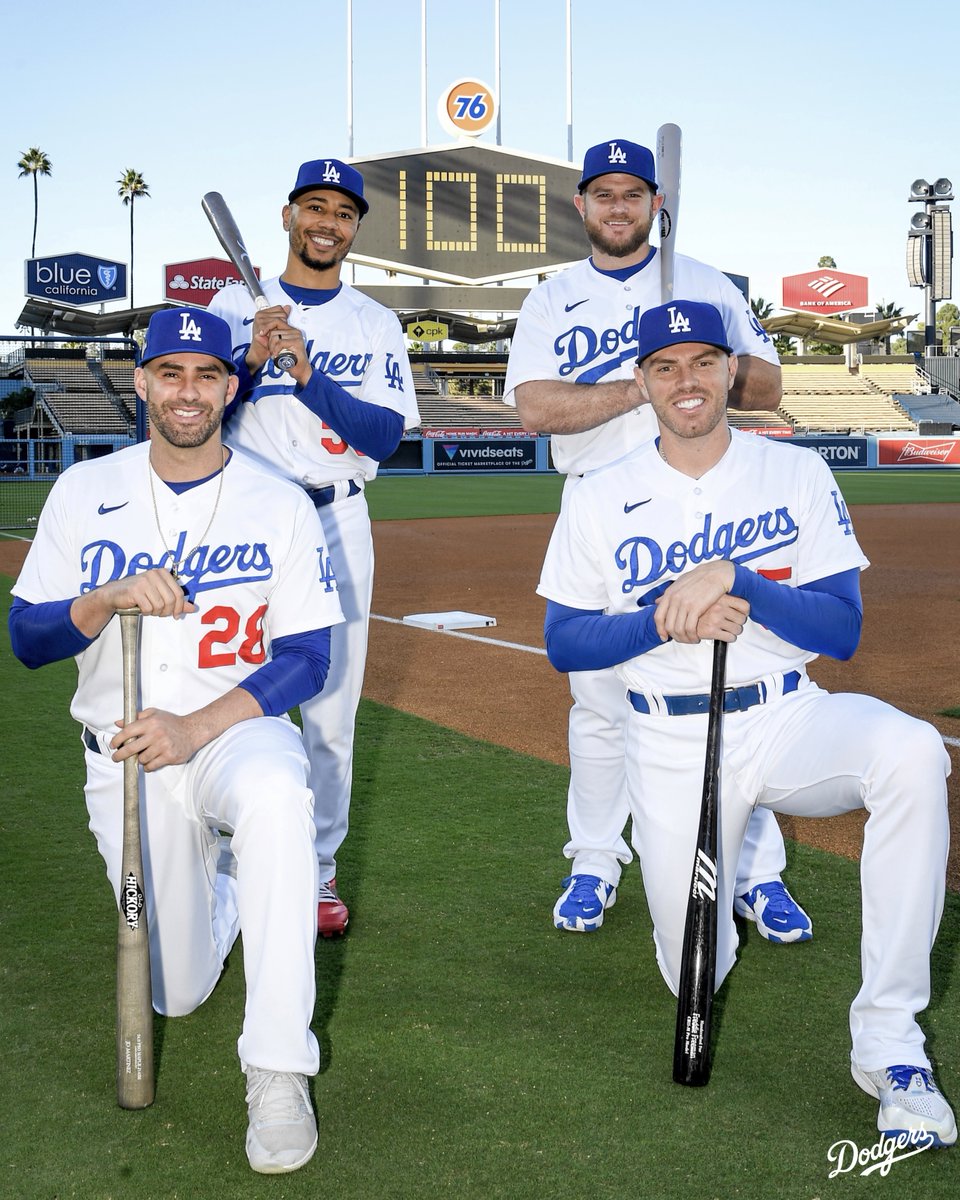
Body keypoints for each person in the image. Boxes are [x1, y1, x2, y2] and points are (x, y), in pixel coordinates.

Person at [537, 298, 955, 1146]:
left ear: (732, 370)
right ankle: (726, 900)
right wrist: (660, 618)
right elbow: (566, 644)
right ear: (644, 383)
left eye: (702, 362)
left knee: (911, 753)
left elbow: (841, 631)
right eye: (665, 367)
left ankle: (889, 1042)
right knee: (695, 961)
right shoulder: (598, 491)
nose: (685, 381)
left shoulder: (797, 474)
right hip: (668, 739)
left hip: (785, 716)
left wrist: (746, 584)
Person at [8, 307, 346, 1175]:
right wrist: (100, 601)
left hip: (232, 733)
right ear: (143, 384)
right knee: (178, 990)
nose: (188, 391)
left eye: (206, 375)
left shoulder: (277, 500)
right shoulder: (84, 491)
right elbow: (28, 639)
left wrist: (199, 725)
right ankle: (230, 891)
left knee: (277, 798)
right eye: (170, 373)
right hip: (123, 754)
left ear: (230, 387)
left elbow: (311, 658)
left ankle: (277, 1069)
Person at [504, 137, 809, 940]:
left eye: (632, 194)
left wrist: (694, 364)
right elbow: (536, 408)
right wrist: (641, 384)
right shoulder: (551, 298)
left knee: (730, 691)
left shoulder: (705, 282)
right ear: (582, 207)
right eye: (602, 194)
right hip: (601, 508)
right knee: (600, 704)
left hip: (703, 504)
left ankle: (755, 872)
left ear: (655, 204)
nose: (617, 207)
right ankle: (596, 859)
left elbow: (771, 388)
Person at [209, 158, 420, 937]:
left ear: (355, 229)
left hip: (337, 519)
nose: (328, 222)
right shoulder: (234, 305)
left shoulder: (373, 322)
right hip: (247, 522)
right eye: (315, 206)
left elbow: (385, 437)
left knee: (331, 710)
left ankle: (319, 871)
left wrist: (307, 379)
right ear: (288, 216)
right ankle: (232, 857)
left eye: (343, 212)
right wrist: (246, 363)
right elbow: (186, 415)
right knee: (232, 690)